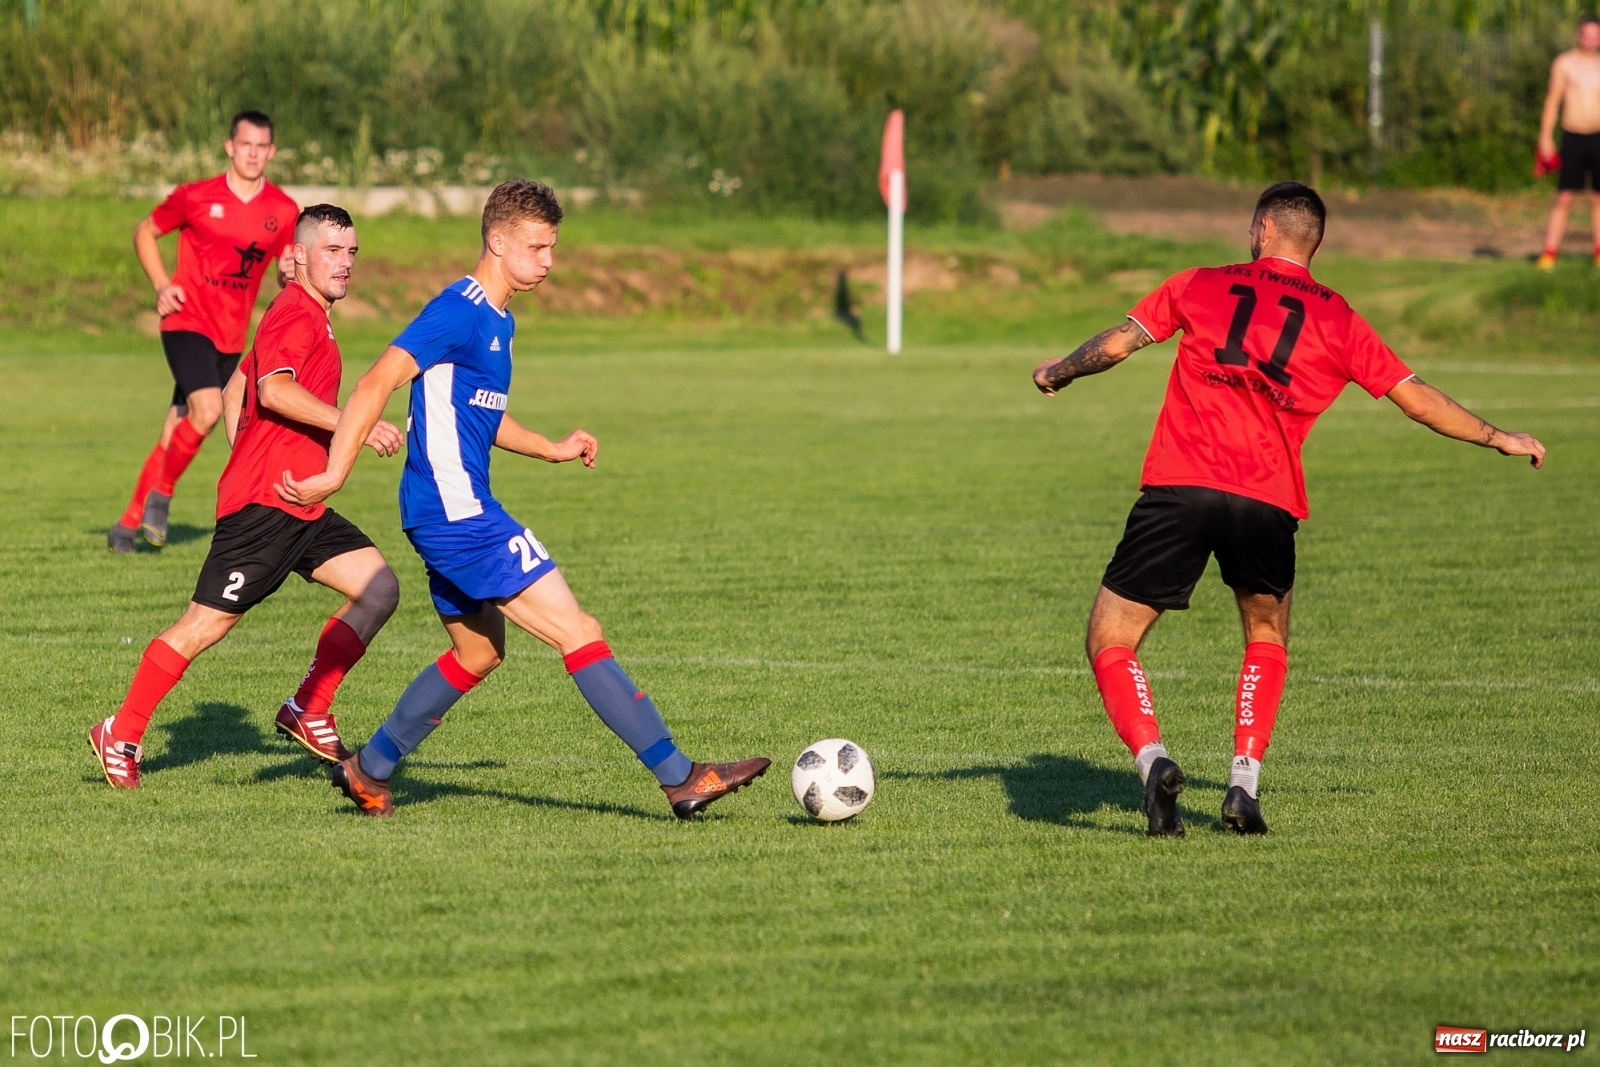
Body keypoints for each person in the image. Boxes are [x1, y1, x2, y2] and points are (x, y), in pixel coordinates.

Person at [1032, 182, 1546, 837]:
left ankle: (1153, 758)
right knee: (1266, 636)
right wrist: (1498, 436)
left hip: (1181, 483)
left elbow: (1117, 344)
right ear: (1315, 243)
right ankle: (1242, 786)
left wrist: (1060, 370)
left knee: (1112, 636)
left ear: (1262, 228)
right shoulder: (1338, 316)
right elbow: (1416, 398)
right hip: (1267, 497)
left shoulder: (1200, 282)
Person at [277, 179, 770, 819]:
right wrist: (335, 472)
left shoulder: (500, 320)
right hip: (459, 515)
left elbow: (481, 417)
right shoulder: (459, 310)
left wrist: (551, 448)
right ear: (497, 240)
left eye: (552, 248)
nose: (548, 261)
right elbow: (377, 381)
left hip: (444, 512)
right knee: (578, 630)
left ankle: (369, 769)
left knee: (479, 652)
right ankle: (680, 777)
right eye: (537, 247)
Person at [89, 206, 404, 789]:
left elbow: (238, 388)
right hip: (266, 508)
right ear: (302, 256)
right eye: (332, 251)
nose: (344, 263)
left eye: (352, 252)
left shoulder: (311, 315)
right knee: (204, 624)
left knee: (379, 588)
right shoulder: (295, 312)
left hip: (300, 500)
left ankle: (308, 706)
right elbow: (272, 388)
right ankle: (121, 730)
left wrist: (247, 447)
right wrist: (349, 425)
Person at [108, 110, 299, 552]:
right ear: (230, 146)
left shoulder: (283, 210)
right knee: (209, 410)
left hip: (230, 336)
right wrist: (161, 284)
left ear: (271, 152)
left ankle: (125, 525)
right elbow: (144, 232)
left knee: (178, 428)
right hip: (186, 322)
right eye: (245, 144)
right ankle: (162, 496)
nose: (252, 154)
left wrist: (288, 272)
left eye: (261, 147)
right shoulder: (195, 197)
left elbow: (284, 271)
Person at [1537, 17, 1600, 270]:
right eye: (1587, 34)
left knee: (1599, 198)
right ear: (1578, 35)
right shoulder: (1565, 63)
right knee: (1564, 198)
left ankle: (1598, 253)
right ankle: (1549, 253)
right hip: (1572, 136)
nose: (1591, 39)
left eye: (1596, 35)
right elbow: (1552, 101)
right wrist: (1545, 138)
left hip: (1599, 136)